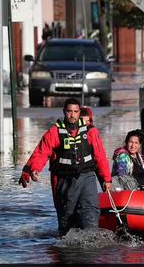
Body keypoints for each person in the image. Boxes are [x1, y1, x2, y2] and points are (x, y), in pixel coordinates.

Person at [18, 98, 112, 236]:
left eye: (75, 112)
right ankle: (67, 247)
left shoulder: (90, 132)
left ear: (79, 113)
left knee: (90, 211)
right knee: (67, 218)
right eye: (69, 111)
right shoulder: (54, 132)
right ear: (64, 112)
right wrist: (33, 169)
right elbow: (41, 152)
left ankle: (91, 246)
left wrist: (106, 179)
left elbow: (100, 157)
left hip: (87, 177)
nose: (72, 115)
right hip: (64, 181)